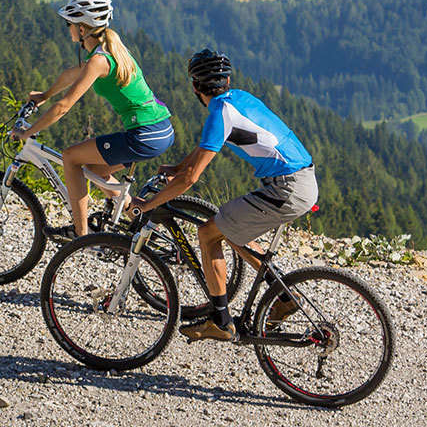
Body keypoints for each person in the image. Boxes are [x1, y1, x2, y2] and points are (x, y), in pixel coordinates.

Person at [135, 47, 317, 342]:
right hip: (300, 181)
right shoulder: (238, 99)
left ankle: (221, 320)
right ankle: (285, 295)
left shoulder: (220, 113)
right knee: (231, 230)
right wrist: (180, 166)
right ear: (227, 81)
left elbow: (191, 180)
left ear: (195, 87)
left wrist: (149, 204)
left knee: (208, 233)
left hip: (286, 187)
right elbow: (204, 149)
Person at [13, 0, 174, 237]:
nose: (67, 29)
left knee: (70, 157)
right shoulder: (111, 48)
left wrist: (28, 132)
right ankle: (134, 214)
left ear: (81, 28)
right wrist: (45, 94)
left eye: (69, 24)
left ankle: (81, 235)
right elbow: (72, 74)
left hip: (143, 135)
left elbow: (63, 107)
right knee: (95, 170)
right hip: (159, 130)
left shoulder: (99, 59)